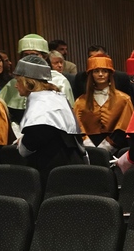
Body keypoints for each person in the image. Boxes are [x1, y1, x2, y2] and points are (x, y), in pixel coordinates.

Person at [12, 55, 87, 186]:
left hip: (55, 172)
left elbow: (30, 144)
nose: (16, 86)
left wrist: (21, 141)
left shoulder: (42, 104)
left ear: (28, 82)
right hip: (70, 163)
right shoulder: (54, 97)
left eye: (18, 81)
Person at [0, 34, 75, 122]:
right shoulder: (13, 82)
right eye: (25, 55)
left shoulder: (60, 81)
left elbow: (67, 115)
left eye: (34, 55)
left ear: (44, 57)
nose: (29, 59)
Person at [73, 54, 134, 154]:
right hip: (88, 148)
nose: (100, 74)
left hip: (116, 148)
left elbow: (124, 127)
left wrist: (109, 146)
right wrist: (88, 145)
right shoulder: (80, 101)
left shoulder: (124, 99)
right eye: (96, 71)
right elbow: (77, 127)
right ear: (91, 74)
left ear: (110, 74)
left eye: (104, 71)